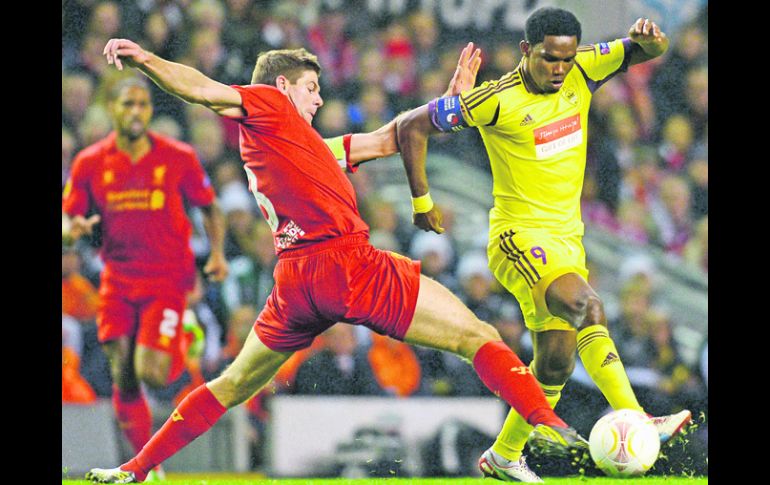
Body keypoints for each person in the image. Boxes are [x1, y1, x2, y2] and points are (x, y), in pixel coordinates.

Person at [86, 38, 586, 483]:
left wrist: (452, 104)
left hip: (295, 284)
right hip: (345, 264)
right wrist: (146, 59)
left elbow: (390, 138)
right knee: (475, 336)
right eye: (311, 88)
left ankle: (134, 469)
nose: (320, 99)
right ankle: (548, 428)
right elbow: (203, 90)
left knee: (233, 383)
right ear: (282, 87)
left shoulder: (301, 146)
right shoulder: (270, 105)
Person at [395, 7, 692, 482]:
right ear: (526, 50)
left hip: (568, 241)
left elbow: (647, 51)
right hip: (519, 238)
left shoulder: (583, 68)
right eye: (550, 58)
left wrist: (651, 39)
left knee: (554, 365)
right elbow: (411, 125)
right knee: (588, 307)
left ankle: (504, 455)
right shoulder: (496, 99)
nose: (560, 69)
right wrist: (422, 200)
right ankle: (637, 416)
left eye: (567, 59)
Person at [62, 76, 229, 482]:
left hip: (166, 277)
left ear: (150, 110)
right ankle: (145, 467)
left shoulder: (178, 156)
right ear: (112, 108)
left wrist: (217, 254)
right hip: (117, 277)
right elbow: (69, 217)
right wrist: (71, 231)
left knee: (152, 372)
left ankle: (184, 334)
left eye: (142, 104)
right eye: (127, 104)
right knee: (123, 373)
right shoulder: (90, 162)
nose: (135, 112)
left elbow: (209, 207)